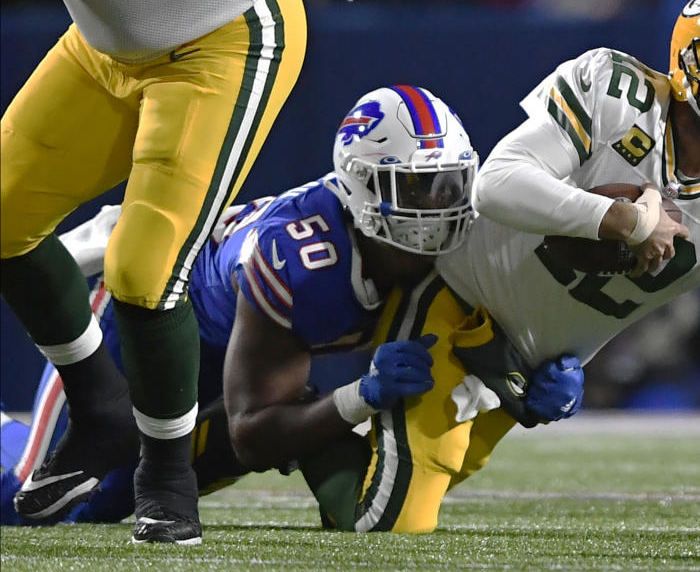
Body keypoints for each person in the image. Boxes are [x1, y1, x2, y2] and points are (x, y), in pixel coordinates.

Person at [299, 0, 700, 535]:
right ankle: (296, 429)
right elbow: (497, 183)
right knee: (393, 519)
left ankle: (308, 433)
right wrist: (621, 220)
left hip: (541, 368)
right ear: (690, 60)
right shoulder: (615, 91)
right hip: (461, 300)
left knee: (437, 469)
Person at [1, 86, 490, 526]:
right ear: (361, 184)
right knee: (43, 504)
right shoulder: (300, 261)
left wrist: (531, 373)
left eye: (448, 184)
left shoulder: (458, 241)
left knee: (107, 502)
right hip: (150, 320)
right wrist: (360, 396)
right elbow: (252, 433)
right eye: (415, 187)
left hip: (232, 364)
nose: (438, 207)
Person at [0, 0, 309, 545]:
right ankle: (98, 410)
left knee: (143, 269)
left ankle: (168, 476)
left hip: (224, 36)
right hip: (104, 47)